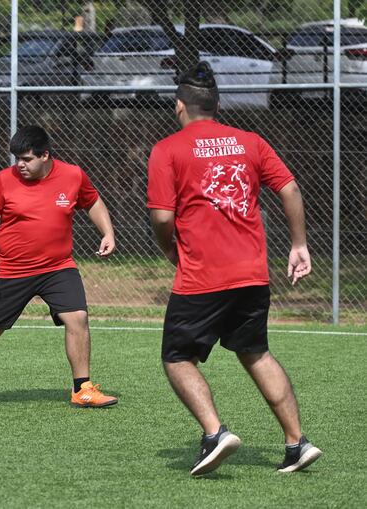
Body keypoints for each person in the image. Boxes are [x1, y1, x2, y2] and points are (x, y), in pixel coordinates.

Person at [146, 62, 322, 475]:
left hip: (203, 275)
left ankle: (214, 434)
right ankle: (297, 443)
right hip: (252, 274)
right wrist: (299, 244)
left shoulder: (167, 150)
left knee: (176, 356)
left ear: (179, 107)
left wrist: (170, 249)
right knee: (255, 352)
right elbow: (290, 188)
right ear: (217, 104)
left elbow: (160, 217)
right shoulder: (249, 141)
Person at [0, 125, 118, 408]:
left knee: (78, 318)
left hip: (58, 267)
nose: (20, 165)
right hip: (10, 270)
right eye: (17, 159)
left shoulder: (72, 175)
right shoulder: (3, 180)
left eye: (26, 159)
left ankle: (82, 388)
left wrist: (107, 233)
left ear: (45, 155)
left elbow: (93, 201)